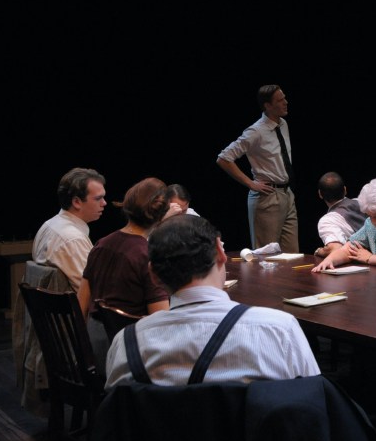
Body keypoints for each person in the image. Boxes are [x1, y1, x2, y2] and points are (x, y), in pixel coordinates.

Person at [105, 214, 320, 387]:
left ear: (152, 274)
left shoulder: (126, 344)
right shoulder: (279, 330)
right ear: (220, 251)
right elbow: (312, 407)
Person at [216, 84, 299, 253]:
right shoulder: (256, 131)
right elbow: (224, 158)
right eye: (280, 100)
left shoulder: (283, 124)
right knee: (267, 256)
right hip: (267, 197)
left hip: (287, 194)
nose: (286, 102)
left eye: (284, 98)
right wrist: (250, 183)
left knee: (292, 254)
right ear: (268, 105)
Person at [78, 177, 173, 321]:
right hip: (135, 335)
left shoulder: (101, 245)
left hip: (98, 334)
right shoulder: (149, 257)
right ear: (162, 216)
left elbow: (81, 307)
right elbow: (161, 323)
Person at [32, 167, 107, 292]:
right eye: (98, 198)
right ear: (77, 202)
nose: (104, 203)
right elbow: (95, 291)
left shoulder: (48, 225)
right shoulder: (73, 239)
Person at [313, 171, 366, 258]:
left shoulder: (328, 220)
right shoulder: (363, 202)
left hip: (361, 262)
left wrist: (319, 251)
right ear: (345, 190)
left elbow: (334, 249)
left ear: (320, 194)